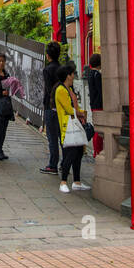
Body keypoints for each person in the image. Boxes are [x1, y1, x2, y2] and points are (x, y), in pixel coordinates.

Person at [55, 61, 89, 193]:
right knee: (70, 153)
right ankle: (63, 181)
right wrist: (80, 113)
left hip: (76, 123)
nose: (74, 76)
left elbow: (75, 106)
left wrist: (80, 114)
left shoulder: (70, 89)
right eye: (72, 74)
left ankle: (77, 181)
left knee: (79, 152)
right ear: (67, 75)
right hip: (67, 126)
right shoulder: (60, 90)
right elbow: (69, 109)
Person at [39, 41, 62, 175]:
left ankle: (53, 164)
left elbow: (48, 89)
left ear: (48, 55)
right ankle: (65, 164)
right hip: (61, 106)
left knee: (52, 137)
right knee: (62, 136)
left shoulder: (47, 69)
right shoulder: (62, 68)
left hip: (50, 106)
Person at [85, 52, 103, 157]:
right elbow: (100, 91)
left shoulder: (90, 74)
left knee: (97, 127)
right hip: (99, 105)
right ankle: (98, 150)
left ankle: (96, 150)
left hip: (93, 105)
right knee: (99, 130)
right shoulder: (97, 75)